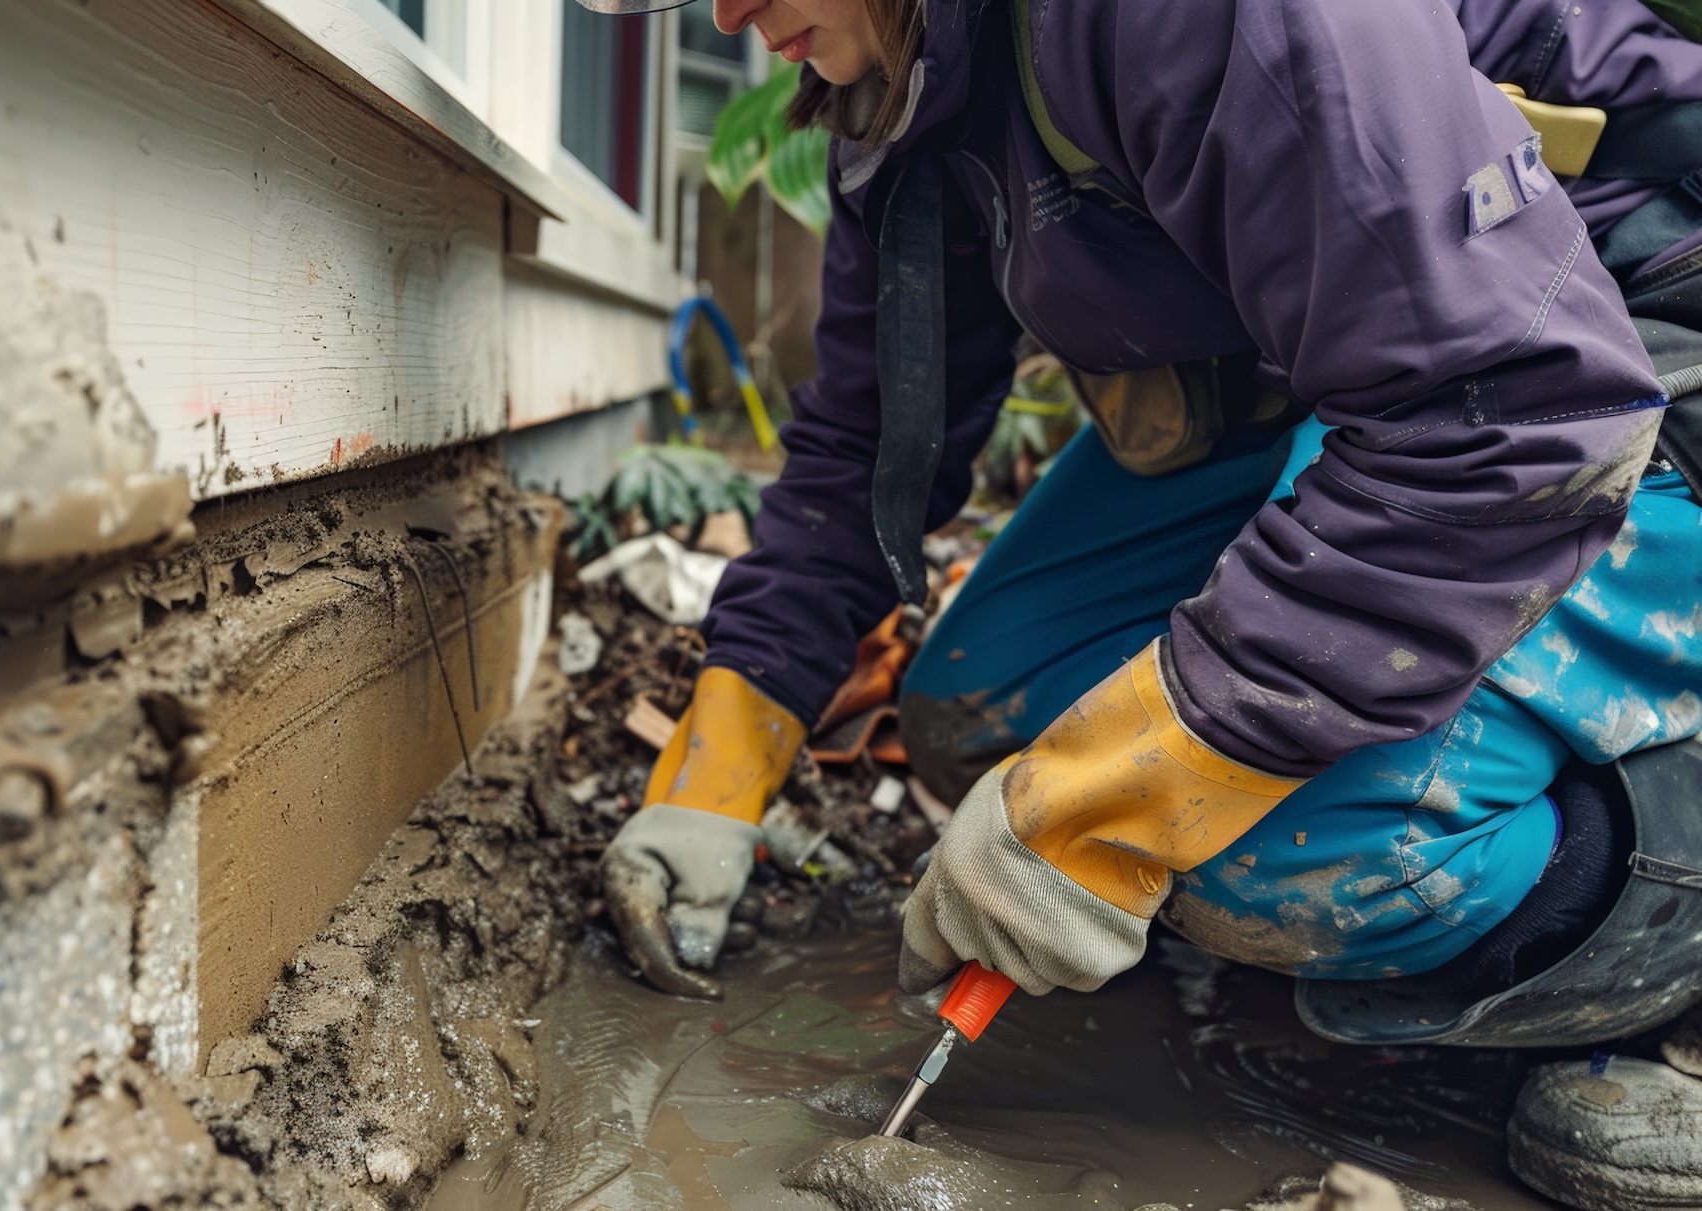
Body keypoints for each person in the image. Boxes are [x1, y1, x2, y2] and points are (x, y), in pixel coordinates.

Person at [577, 0, 1702, 1205]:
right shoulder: (909, 81)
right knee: (986, 711)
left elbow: (1515, 414)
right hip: (1360, 398)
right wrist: (715, 776)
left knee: (1290, 854)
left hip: (1595, 387)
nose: (724, 12)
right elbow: (861, 448)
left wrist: (1119, 804)